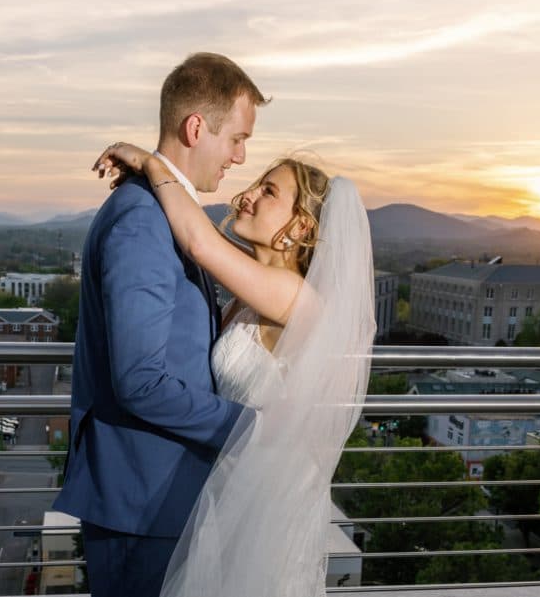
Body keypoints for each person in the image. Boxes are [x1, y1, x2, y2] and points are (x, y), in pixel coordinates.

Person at [94, 141, 377, 597]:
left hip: (266, 501)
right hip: (230, 485)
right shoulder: (256, 290)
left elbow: (198, 240)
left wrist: (151, 162)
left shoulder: (294, 296)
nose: (247, 195)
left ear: (298, 226)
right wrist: (152, 184)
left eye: (268, 191)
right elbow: (199, 229)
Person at [52, 52, 269, 597]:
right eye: (237, 138)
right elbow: (141, 381)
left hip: (161, 498)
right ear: (197, 127)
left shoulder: (161, 210)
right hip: (140, 503)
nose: (241, 157)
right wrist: (254, 430)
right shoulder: (142, 221)